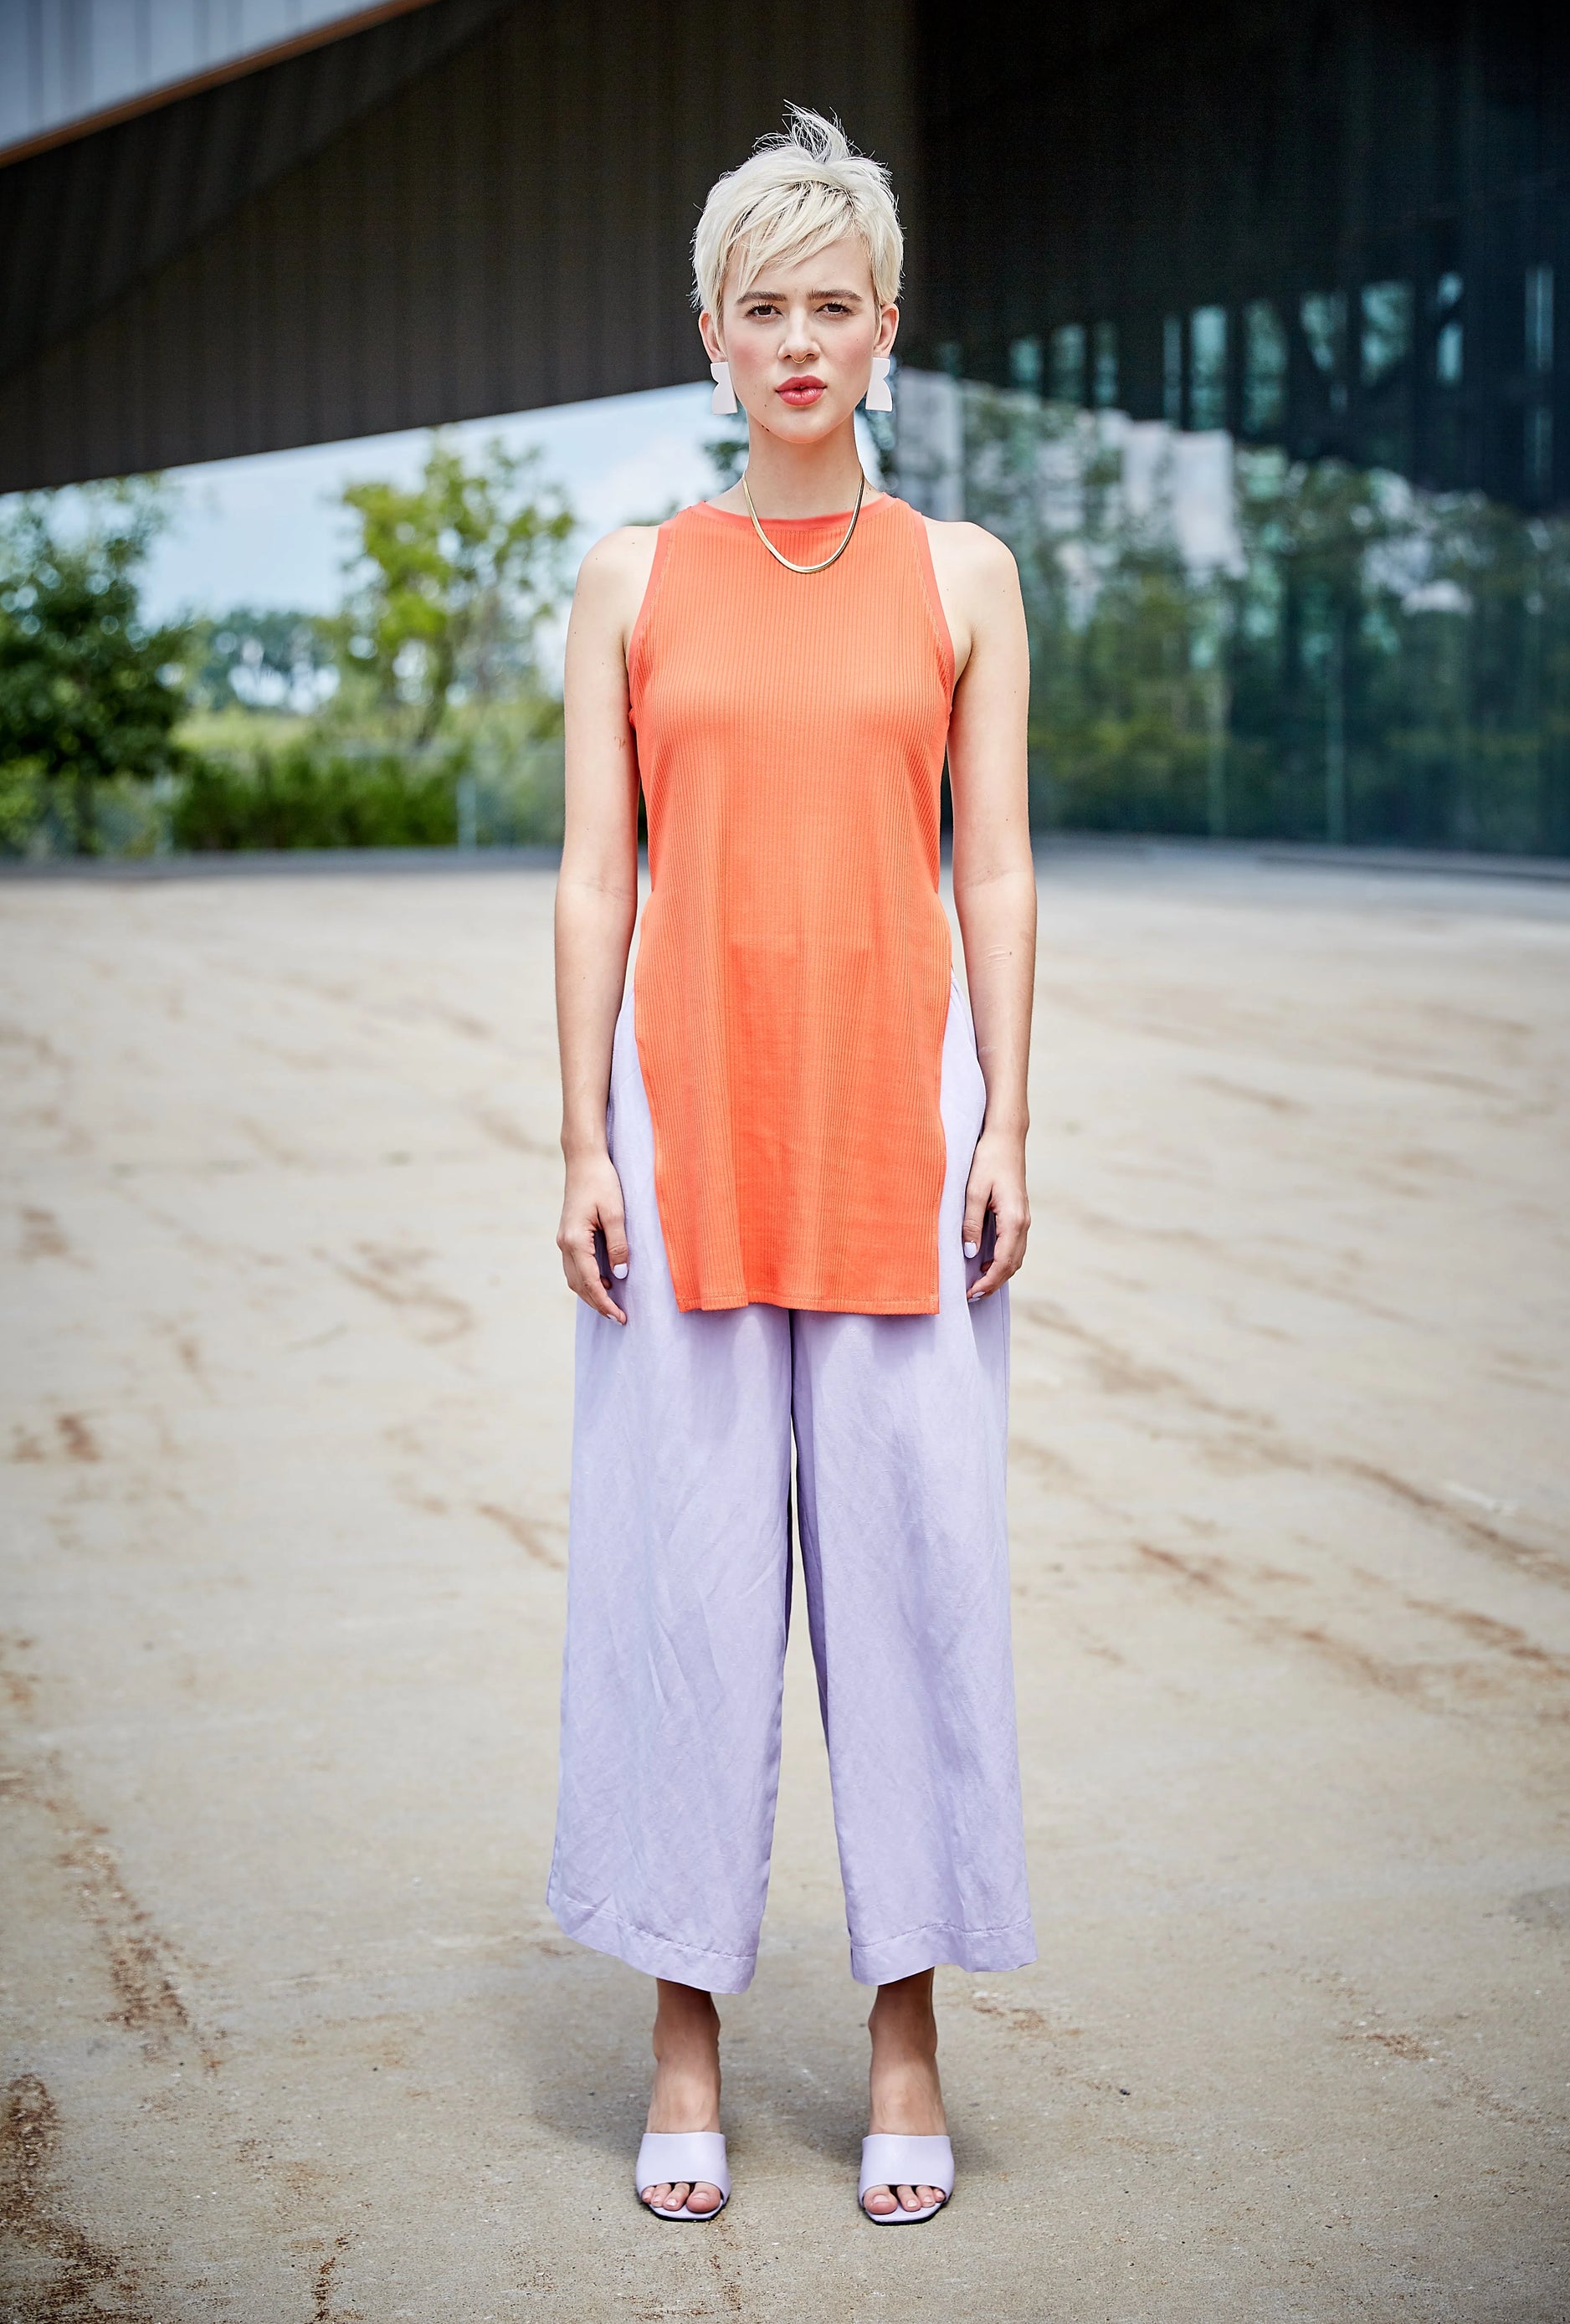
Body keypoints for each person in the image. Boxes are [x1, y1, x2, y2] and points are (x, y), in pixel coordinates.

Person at [547, 107, 1036, 2226]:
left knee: (911, 1593)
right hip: (685, 1136)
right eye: (765, 307)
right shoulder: (632, 577)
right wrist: (579, 1134)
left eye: (836, 303)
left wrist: (1012, 1112)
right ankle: (684, 2034)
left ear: (888, 326)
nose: (802, 339)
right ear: (712, 337)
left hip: (897, 1141)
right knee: (684, 1588)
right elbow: (596, 875)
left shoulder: (965, 575)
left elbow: (993, 865)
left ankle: (905, 2036)